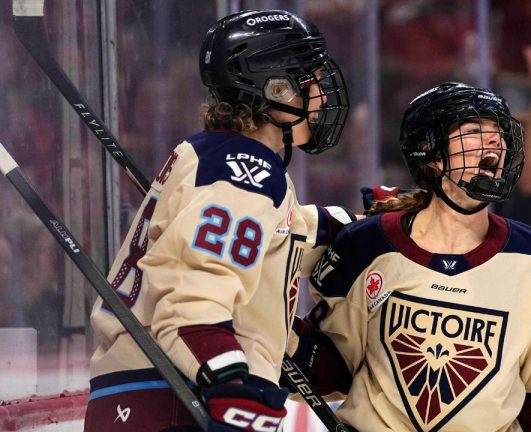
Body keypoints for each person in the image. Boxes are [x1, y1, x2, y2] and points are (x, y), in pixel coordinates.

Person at [84, 10, 354, 431]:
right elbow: (192, 301)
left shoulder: (225, 161)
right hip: (176, 396)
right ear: (276, 88)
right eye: (310, 80)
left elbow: (276, 237)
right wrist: (232, 383)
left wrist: (354, 223)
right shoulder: (243, 166)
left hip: (153, 390)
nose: (320, 94)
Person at [292, 82, 531, 431]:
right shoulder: (368, 247)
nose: (494, 142)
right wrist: (284, 339)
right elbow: (336, 371)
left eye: (498, 133)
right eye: (473, 131)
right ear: (431, 153)